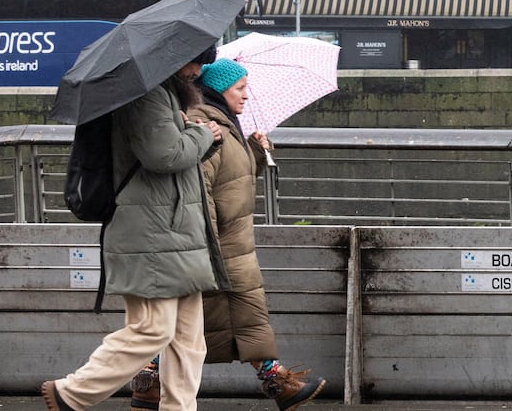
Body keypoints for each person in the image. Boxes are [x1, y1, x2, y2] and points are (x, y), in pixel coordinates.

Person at [128, 58, 327, 411]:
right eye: (240, 88)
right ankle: (278, 381)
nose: (246, 95)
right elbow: (199, 188)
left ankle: (149, 379)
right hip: (220, 245)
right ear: (220, 90)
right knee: (238, 316)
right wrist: (207, 243)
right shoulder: (205, 125)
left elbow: (232, 179)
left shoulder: (226, 125)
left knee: (205, 321)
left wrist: (254, 150)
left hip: (232, 243)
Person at [42, 46, 229, 411]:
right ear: (177, 57)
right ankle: (72, 392)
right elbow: (163, 155)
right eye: (195, 62)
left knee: (188, 340)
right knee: (152, 329)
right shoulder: (147, 95)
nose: (198, 71)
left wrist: (196, 136)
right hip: (151, 233)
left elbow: (173, 157)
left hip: (174, 232)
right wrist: (204, 135)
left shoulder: (162, 92)